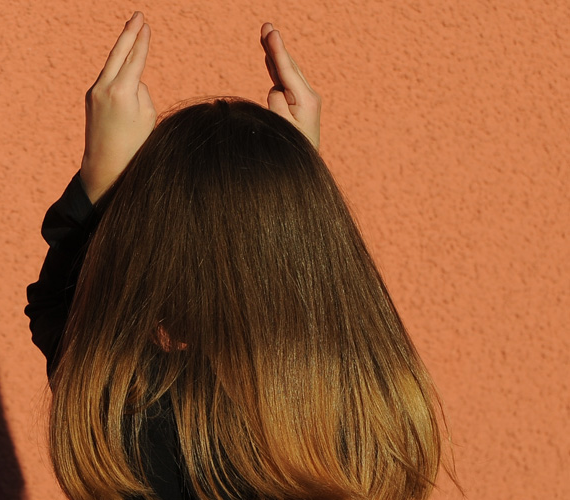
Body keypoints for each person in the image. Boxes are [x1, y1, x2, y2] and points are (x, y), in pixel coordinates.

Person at [26, 12, 446, 500]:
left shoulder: (143, 427)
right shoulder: (380, 416)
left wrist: (98, 191)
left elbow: (71, 329)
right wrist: (292, 186)